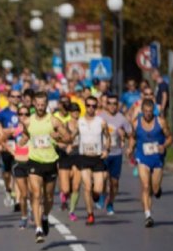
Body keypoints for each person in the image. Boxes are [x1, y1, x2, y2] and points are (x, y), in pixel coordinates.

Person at [19, 91, 70, 242]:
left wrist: (58, 136)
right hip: (34, 161)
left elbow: (68, 138)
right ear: (34, 104)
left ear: (47, 105)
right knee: (36, 194)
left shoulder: (54, 121)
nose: (40, 107)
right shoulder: (28, 121)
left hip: (51, 162)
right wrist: (21, 142)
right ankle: (38, 228)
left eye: (43, 105)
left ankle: (45, 216)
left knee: (48, 196)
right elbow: (26, 135)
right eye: (38, 105)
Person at [127, 98, 172, 227]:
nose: (147, 114)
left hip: (157, 158)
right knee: (145, 186)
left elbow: (170, 138)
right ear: (142, 111)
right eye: (145, 111)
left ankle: (157, 191)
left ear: (153, 111)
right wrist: (130, 148)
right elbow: (132, 138)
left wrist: (164, 146)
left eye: (150, 111)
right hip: (142, 157)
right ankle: (148, 216)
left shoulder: (161, 122)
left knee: (155, 188)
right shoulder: (136, 123)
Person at [74, 96, 111, 225]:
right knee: (87, 187)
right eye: (88, 105)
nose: (91, 108)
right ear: (85, 106)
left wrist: (107, 149)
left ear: (96, 107)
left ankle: (96, 196)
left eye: (93, 106)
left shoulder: (101, 122)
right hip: (84, 157)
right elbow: (73, 135)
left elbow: (107, 137)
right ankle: (90, 214)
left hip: (97, 158)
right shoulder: (79, 122)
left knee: (98, 189)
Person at [98, 94, 132, 215]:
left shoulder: (121, 118)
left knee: (114, 183)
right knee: (102, 178)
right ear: (106, 104)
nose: (112, 106)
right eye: (110, 103)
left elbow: (130, 134)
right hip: (103, 153)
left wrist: (129, 145)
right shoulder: (100, 116)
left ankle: (110, 202)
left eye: (114, 104)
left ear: (117, 105)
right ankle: (102, 195)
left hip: (116, 153)